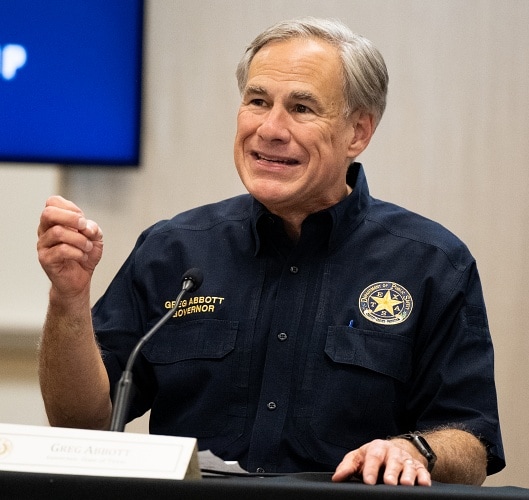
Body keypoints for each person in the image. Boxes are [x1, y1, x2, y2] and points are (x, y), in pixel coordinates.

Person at [37, 17, 504, 486]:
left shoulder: (431, 263)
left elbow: (472, 446)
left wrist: (413, 449)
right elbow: (83, 423)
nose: (270, 128)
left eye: (302, 108)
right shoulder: (173, 249)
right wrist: (69, 300)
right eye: (257, 101)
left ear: (358, 133)